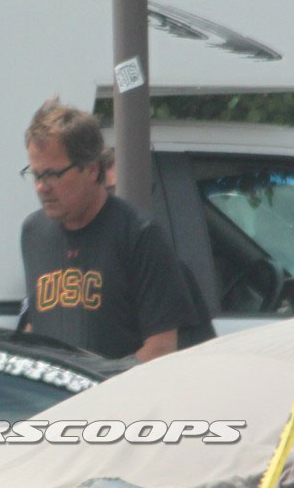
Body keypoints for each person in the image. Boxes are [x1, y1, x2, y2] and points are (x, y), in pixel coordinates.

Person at [17, 99, 196, 361]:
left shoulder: (139, 235)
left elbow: (161, 347)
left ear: (91, 169)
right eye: (36, 174)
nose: (42, 187)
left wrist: (102, 378)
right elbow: (36, 324)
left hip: (118, 387)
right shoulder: (34, 233)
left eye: (53, 174)